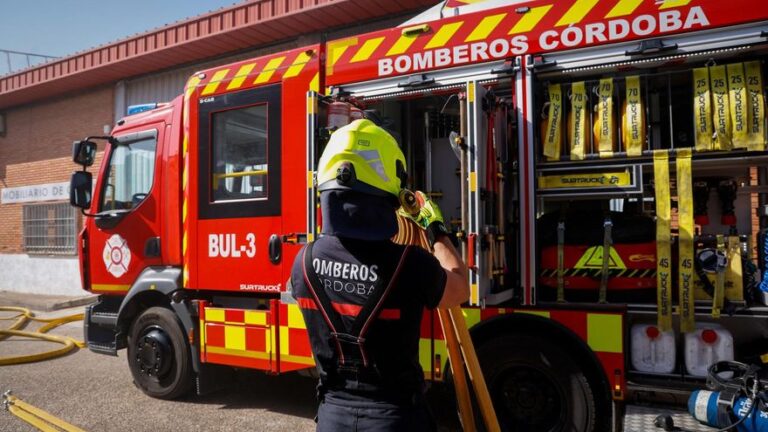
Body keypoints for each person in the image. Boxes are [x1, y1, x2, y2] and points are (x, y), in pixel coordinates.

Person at [289, 119, 470, 432]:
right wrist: (435, 228)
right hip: (397, 420)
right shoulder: (411, 264)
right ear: (390, 192)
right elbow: (460, 288)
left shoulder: (303, 263)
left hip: (332, 420)